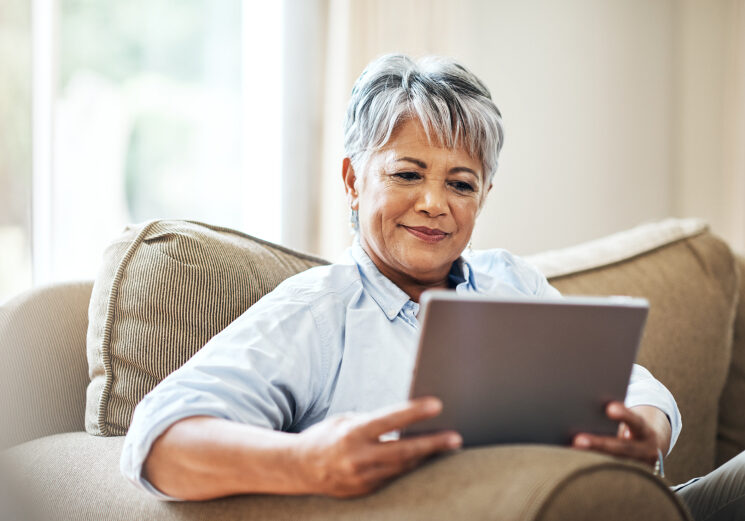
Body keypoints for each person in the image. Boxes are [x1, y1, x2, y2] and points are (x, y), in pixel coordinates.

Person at [121, 54, 745, 518]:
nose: (433, 204)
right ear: (352, 180)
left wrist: (642, 428)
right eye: (407, 173)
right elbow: (157, 438)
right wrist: (311, 461)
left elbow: (638, 386)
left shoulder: (512, 281)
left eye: (461, 183)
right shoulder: (320, 310)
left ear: (485, 197)